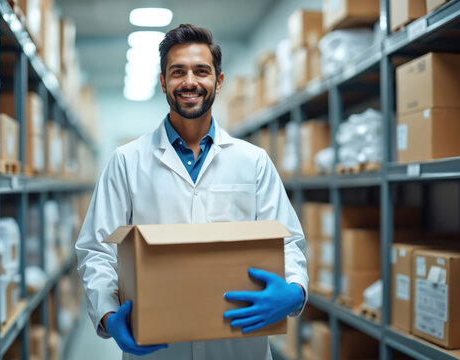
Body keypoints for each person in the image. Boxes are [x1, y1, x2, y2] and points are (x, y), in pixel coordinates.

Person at [76, 23, 308, 360]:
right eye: (177, 72)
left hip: (239, 346)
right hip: (157, 347)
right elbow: (96, 249)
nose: (189, 82)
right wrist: (109, 315)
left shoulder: (253, 161)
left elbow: (289, 242)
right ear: (162, 82)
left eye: (201, 71)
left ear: (219, 80)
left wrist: (295, 291)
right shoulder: (126, 162)